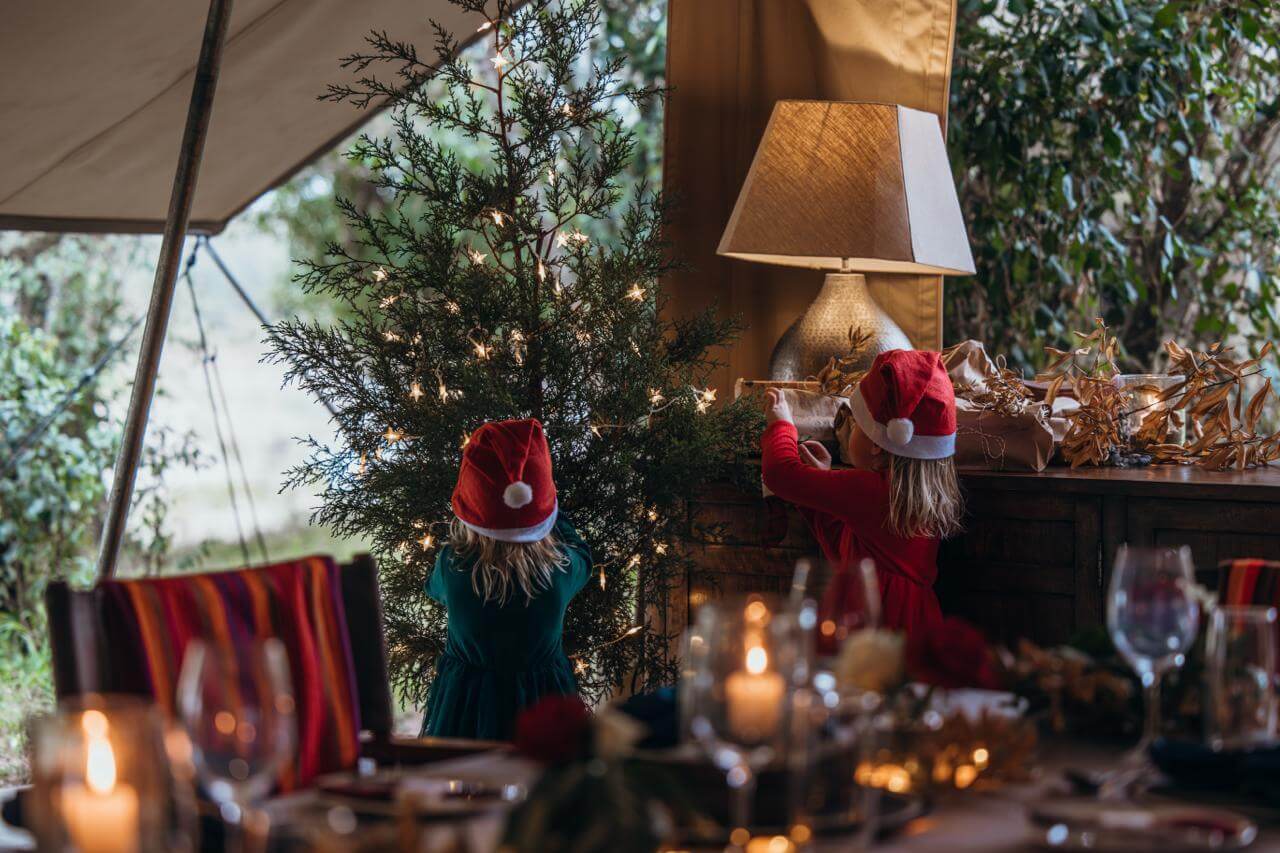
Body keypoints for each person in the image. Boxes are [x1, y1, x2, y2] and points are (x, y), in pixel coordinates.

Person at [761, 349, 963, 647]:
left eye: (856, 423)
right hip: (914, 624)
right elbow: (848, 555)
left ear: (877, 445)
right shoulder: (917, 496)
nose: (849, 430)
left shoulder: (867, 489)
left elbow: (780, 475)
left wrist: (781, 425)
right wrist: (824, 486)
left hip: (872, 628)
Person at [422, 418, 591, 740]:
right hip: (543, 698)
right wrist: (554, 512)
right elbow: (584, 554)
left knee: (463, 772)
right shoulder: (561, 571)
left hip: (466, 699)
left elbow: (433, 588)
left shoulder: (453, 567)